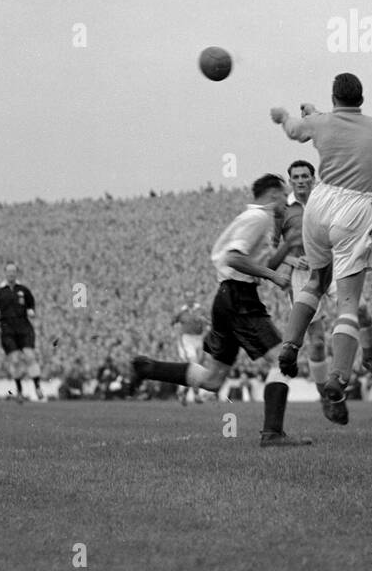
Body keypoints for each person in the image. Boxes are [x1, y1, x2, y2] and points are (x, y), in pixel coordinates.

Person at [132, 174, 312, 447]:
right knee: (282, 361)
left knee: (213, 380)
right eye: (283, 195)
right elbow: (233, 258)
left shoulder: (259, 220)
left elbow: (259, 266)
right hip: (240, 298)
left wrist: (287, 246)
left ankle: (149, 367)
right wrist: (272, 276)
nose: (284, 203)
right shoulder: (258, 219)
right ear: (274, 194)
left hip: (228, 298)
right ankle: (272, 433)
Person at [270, 72, 372, 416]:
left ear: (333, 99)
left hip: (319, 206)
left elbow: (296, 130)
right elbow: (344, 124)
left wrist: (285, 117)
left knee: (316, 282)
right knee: (349, 303)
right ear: (361, 98)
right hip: (353, 208)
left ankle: (291, 343)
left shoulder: (321, 123)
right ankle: (339, 377)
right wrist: (318, 113)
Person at [269, 158, 372, 425]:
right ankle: (328, 395)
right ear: (290, 181)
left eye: (305, 176)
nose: (301, 180)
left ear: (313, 179)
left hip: (334, 265)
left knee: (359, 310)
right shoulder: (282, 211)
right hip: (304, 274)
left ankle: (371, 358)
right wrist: (291, 260)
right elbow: (272, 250)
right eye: (296, 177)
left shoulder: (326, 200)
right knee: (317, 341)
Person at [0, 261, 43, 401]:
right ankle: (19, 391)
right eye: (9, 271)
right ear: (5, 273)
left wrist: (31, 311)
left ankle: (37, 386)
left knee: (30, 355)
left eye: (13, 271)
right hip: (7, 329)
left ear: (16, 273)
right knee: (15, 360)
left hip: (24, 327)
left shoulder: (23, 290)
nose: (11, 274)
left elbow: (31, 304)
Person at [172, 300, 209, 406]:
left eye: (191, 297)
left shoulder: (200, 309)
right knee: (194, 364)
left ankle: (182, 391)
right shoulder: (182, 311)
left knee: (193, 367)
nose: (189, 300)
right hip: (186, 339)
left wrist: (204, 321)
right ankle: (196, 393)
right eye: (187, 298)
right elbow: (173, 322)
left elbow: (209, 322)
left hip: (198, 338)